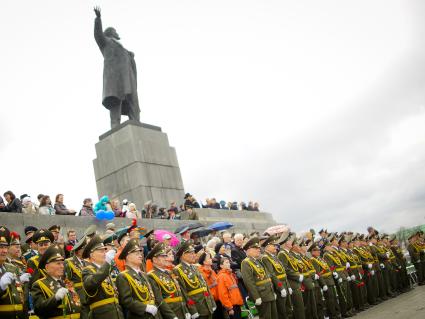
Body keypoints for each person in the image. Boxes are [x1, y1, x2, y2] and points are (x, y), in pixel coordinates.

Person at [93, 6, 140, 128]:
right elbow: (98, 35)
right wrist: (98, 19)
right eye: (115, 31)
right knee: (116, 103)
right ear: (110, 33)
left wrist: (130, 55)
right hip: (114, 79)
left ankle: (136, 124)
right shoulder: (106, 42)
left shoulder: (122, 48)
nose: (117, 32)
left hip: (128, 79)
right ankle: (115, 126)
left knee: (133, 102)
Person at [31, 244, 81, 319]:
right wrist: (55, 298)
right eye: (58, 263)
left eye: (62, 263)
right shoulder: (39, 285)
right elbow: (38, 309)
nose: (62, 266)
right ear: (47, 267)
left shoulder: (66, 283)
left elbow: (77, 306)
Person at [116, 239, 160, 319]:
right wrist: (145, 307)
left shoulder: (143, 274)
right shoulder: (123, 276)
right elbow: (126, 300)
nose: (140, 256)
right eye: (137, 254)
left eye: (140, 253)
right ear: (128, 257)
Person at [82, 235, 124, 319]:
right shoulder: (87, 270)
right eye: (101, 251)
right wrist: (107, 263)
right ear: (92, 254)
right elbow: (91, 283)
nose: (104, 253)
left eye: (105, 251)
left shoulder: (106, 270)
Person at [173, 241, 216, 319]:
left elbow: (204, 285)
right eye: (191, 253)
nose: (194, 255)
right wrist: (192, 310)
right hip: (197, 305)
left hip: (206, 304)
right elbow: (183, 292)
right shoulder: (178, 270)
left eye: (194, 253)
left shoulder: (194, 267)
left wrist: (212, 302)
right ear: (183, 255)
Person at [147, 243, 190, 319]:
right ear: (155, 259)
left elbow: (179, 293)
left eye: (165, 256)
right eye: (162, 256)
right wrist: (172, 316)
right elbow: (159, 300)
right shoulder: (151, 276)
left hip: (181, 311)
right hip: (170, 313)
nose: (166, 258)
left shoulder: (168, 272)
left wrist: (186, 311)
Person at [241, 237, 277, 319]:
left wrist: (272, 291)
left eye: (258, 248)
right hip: (262, 295)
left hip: (269, 293)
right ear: (249, 250)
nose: (259, 250)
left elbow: (267, 276)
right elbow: (249, 282)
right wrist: (256, 297)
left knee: (274, 316)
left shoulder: (257, 261)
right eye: (256, 248)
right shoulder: (246, 263)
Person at [0, 226, 28, 319]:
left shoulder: (12, 268)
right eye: (0, 247)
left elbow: (21, 299)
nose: (4, 251)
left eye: (5, 247)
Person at [260, 235, 292, 319]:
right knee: (282, 312)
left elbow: (283, 273)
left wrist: (288, 286)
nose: (275, 247)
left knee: (288, 309)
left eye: (275, 245)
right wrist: (281, 288)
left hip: (284, 284)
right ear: (267, 247)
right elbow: (272, 274)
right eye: (273, 245)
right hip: (278, 286)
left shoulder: (274, 257)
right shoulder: (265, 258)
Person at [277, 233, 305, 319]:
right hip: (291, 282)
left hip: (295, 282)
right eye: (289, 241)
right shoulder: (282, 254)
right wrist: (297, 276)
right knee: (298, 307)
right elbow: (285, 269)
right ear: (285, 243)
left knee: (300, 306)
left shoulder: (288, 253)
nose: (291, 242)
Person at [65, 237, 88, 319]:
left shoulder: (87, 261)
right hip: (78, 296)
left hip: (89, 295)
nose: (86, 251)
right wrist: (74, 296)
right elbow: (67, 280)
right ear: (78, 251)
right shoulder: (69, 262)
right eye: (84, 248)